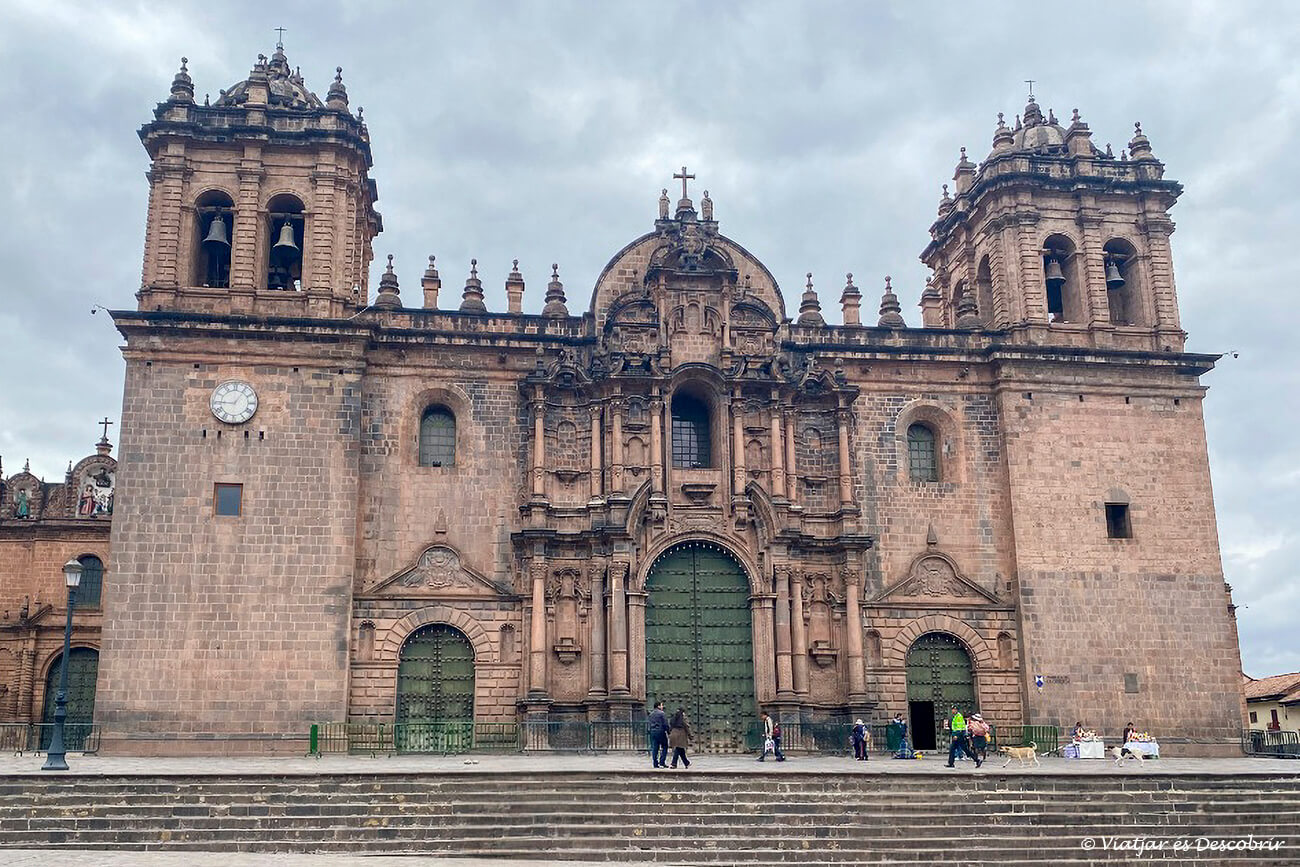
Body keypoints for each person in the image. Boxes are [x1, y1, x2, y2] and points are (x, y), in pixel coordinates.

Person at [647, 701, 669, 769]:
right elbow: (665, 723)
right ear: (658, 706)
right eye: (662, 705)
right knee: (664, 746)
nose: (662, 707)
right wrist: (668, 731)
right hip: (661, 731)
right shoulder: (662, 713)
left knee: (655, 748)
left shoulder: (651, 714)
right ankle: (662, 762)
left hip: (653, 732)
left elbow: (649, 723)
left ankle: (655, 763)